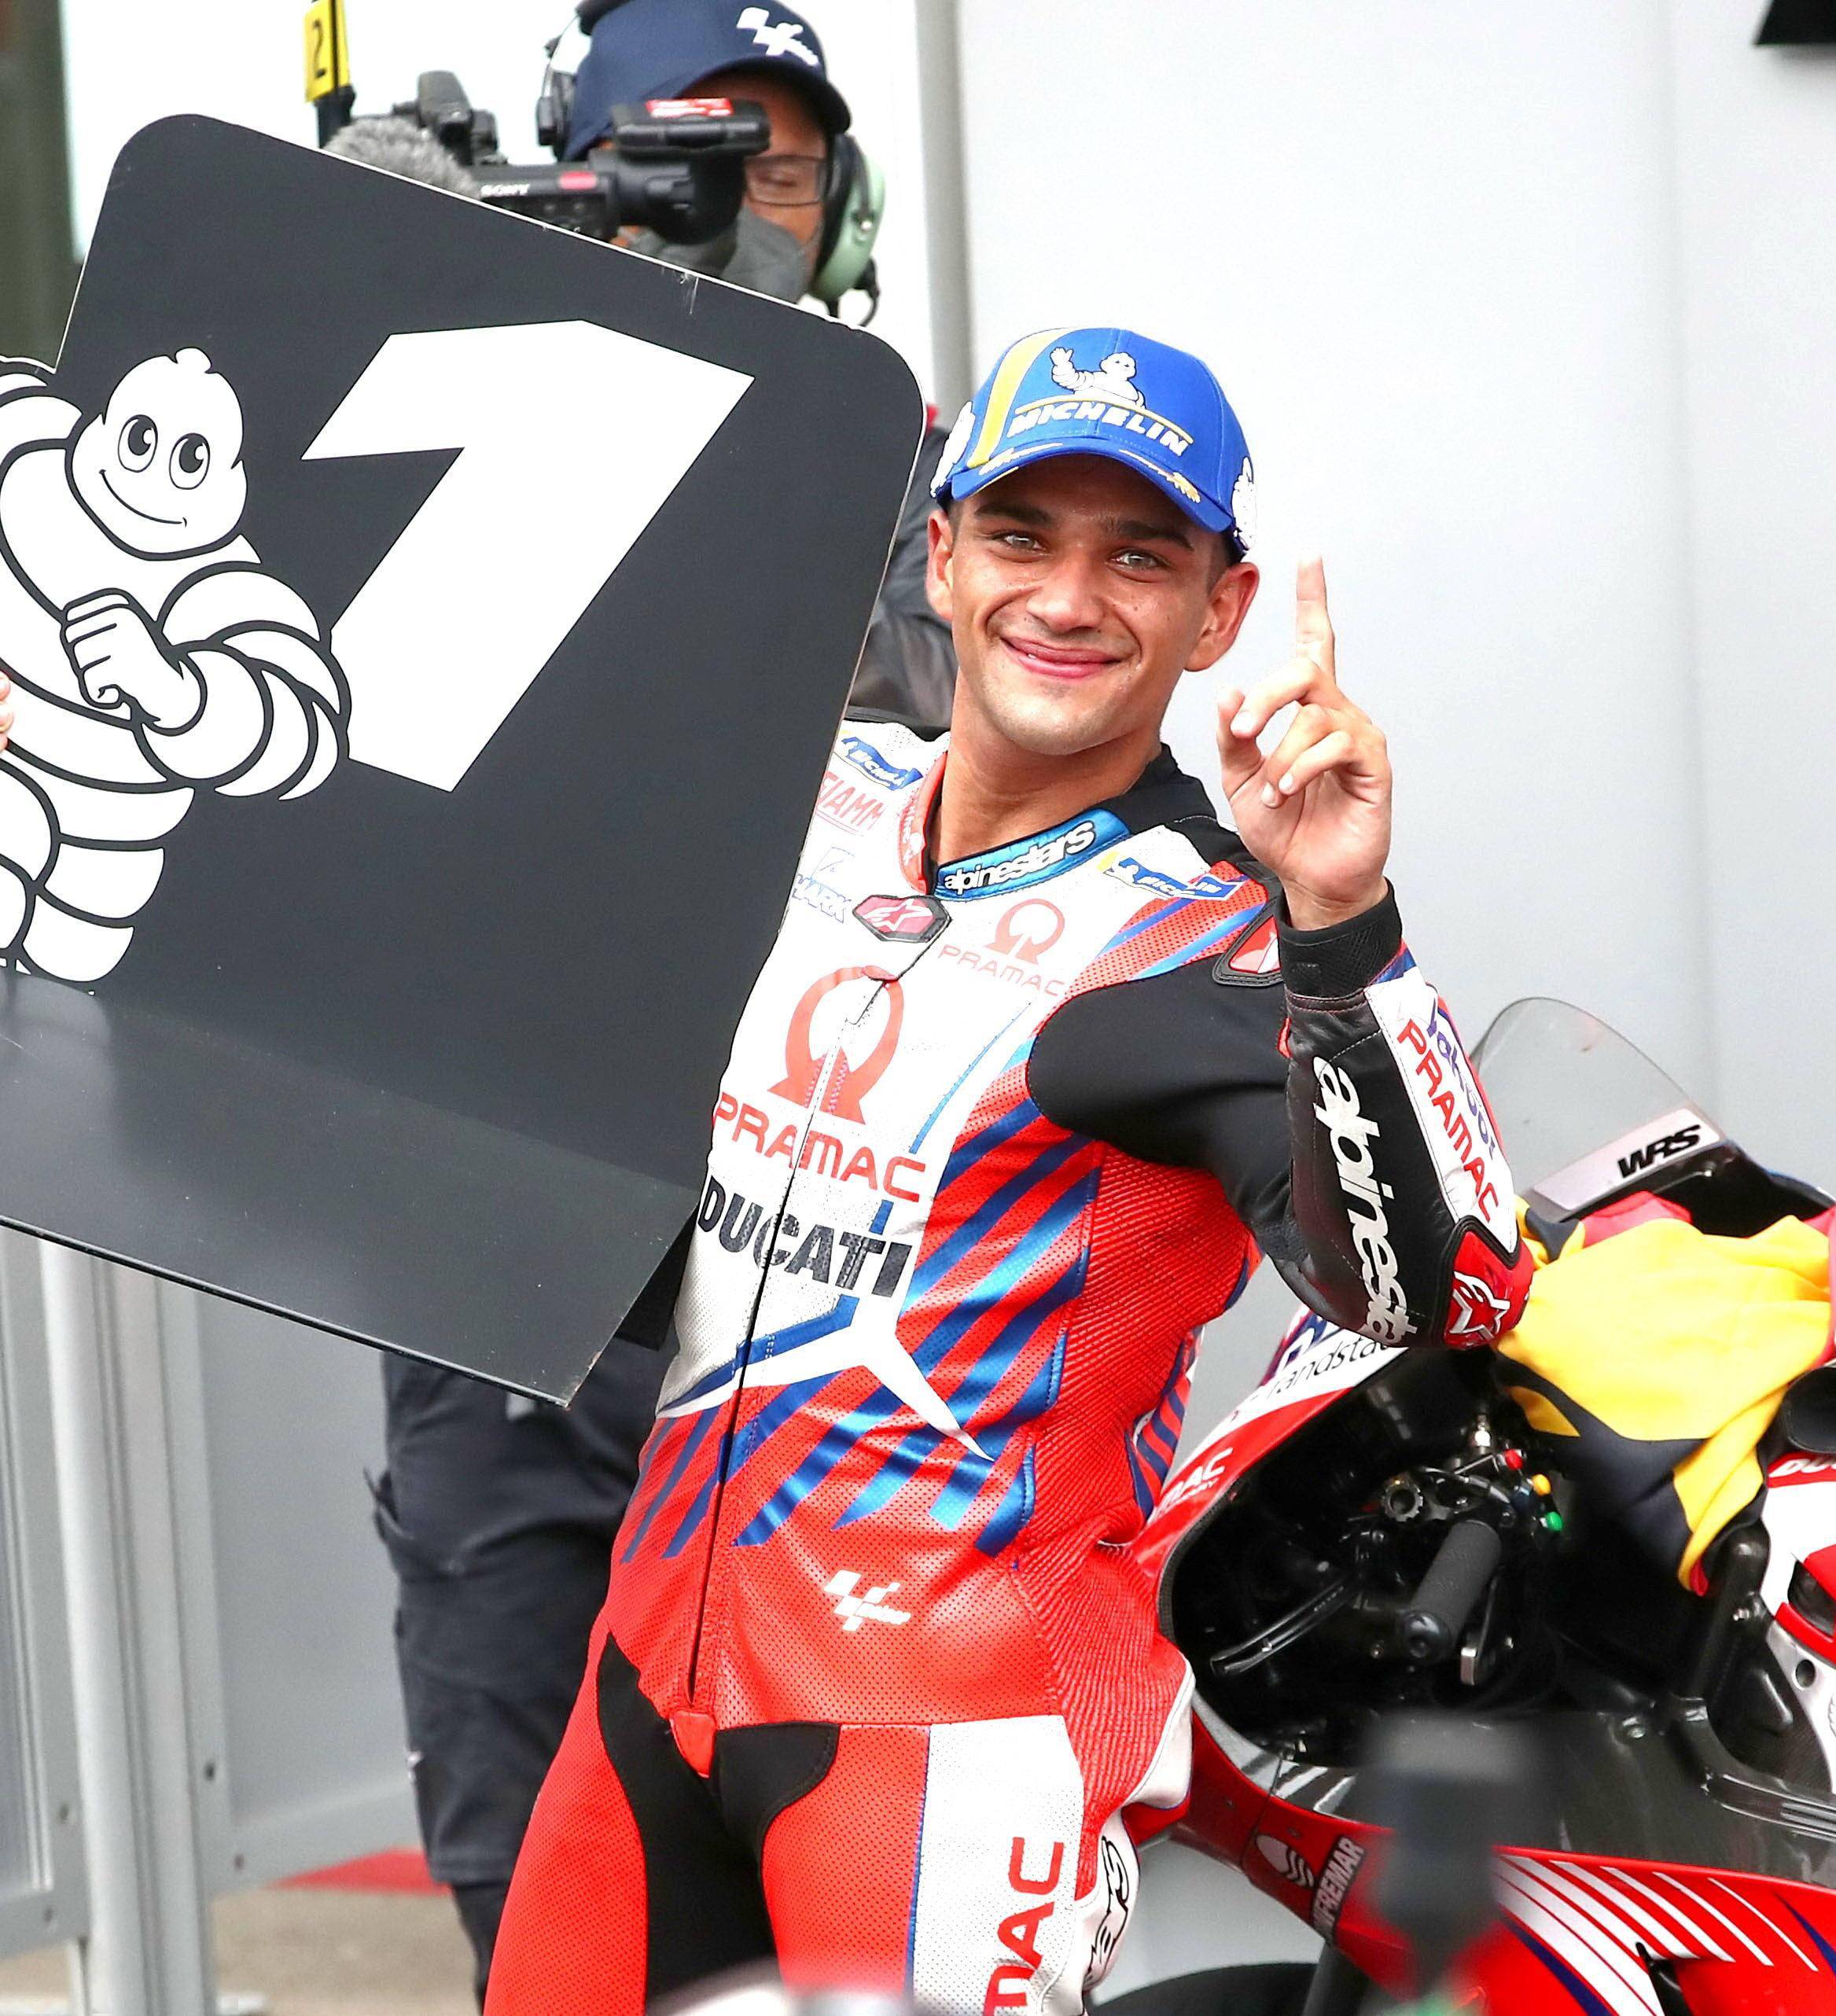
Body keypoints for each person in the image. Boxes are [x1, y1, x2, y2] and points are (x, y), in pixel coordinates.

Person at [482, 325, 1529, 2014]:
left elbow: (1449, 1291)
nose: (1070, 597)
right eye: (1025, 536)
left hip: (948, 1750)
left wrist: (1343, 924)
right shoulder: (810, 797)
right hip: (649, 1685)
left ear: (1220, 613)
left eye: (1140, 557)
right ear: (944, 557)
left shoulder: (1211, 941)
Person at [335, 2, 956, 1996]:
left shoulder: (925, 474)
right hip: (507, 1252)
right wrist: (356, 300)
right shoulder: (476, 418)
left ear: (845, 202)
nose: (737, 208)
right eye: (682, 162)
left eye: (776, 165)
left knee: (830, 1866)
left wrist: (754, 424)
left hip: (822, 1275)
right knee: (533, 1862)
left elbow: (944, 730)